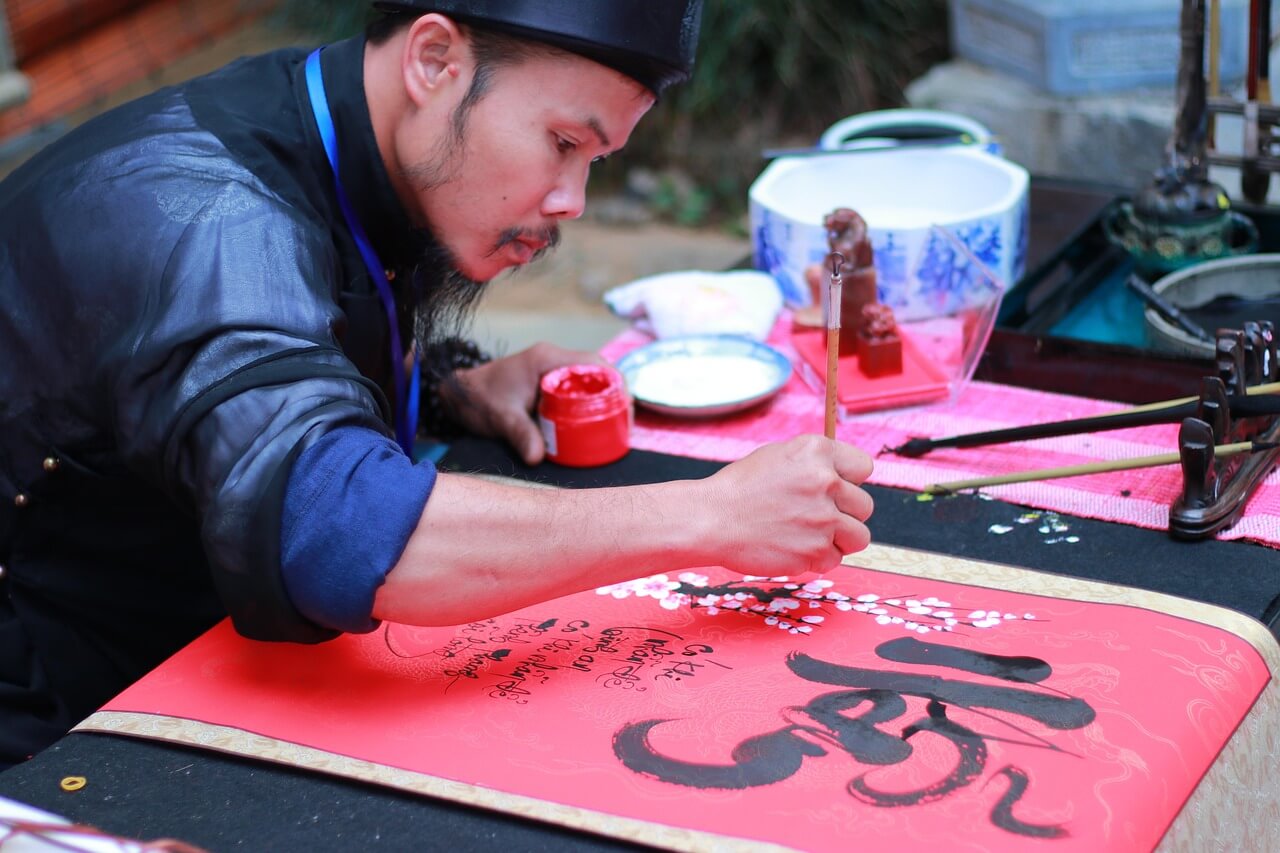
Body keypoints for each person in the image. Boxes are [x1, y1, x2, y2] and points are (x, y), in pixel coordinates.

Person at [0, 0, 875, 768]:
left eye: (596, 161)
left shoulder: (337, 121)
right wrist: (712, 514)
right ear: (433, 59)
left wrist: (447, 387)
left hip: (179, 654)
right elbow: (340, 531)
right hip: (54, 722)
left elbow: (259, 359)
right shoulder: (211, 214)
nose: (571, 201)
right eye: (562, 142)